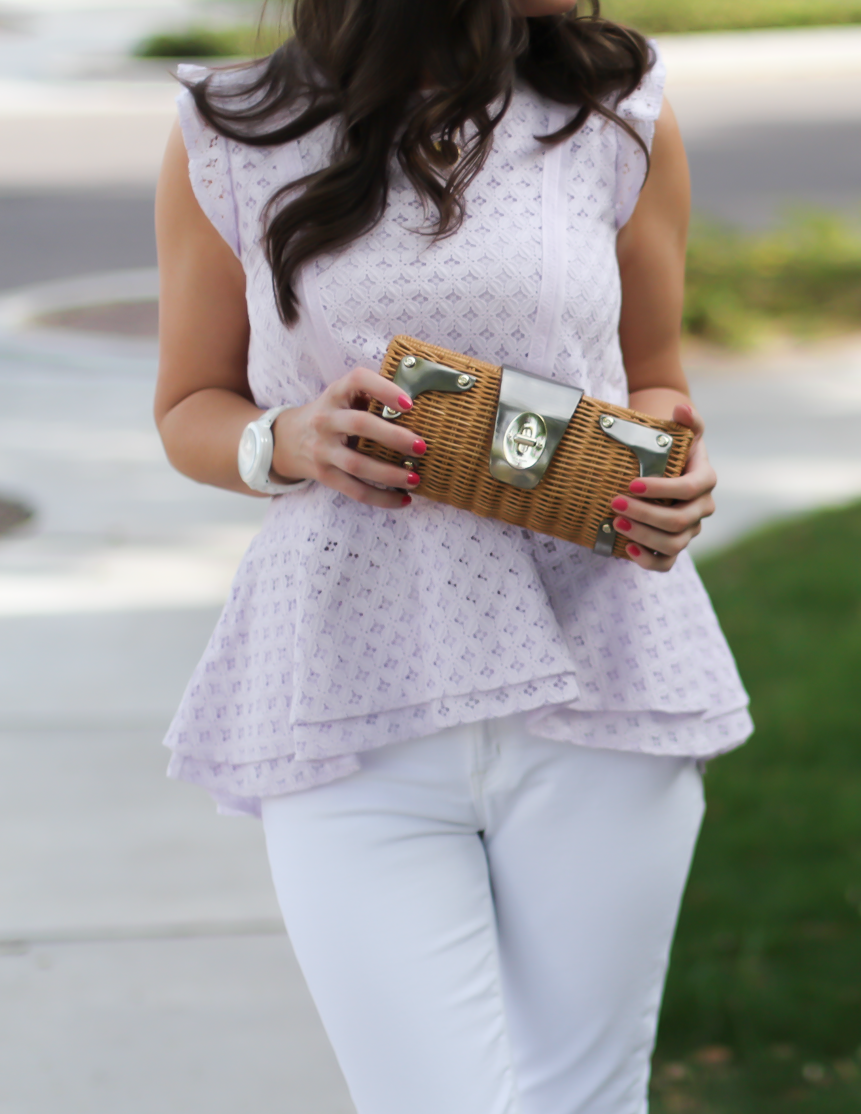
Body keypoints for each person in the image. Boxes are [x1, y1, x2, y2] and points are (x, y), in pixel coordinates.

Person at [151, 0, 752, 1109]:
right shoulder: (231, 130)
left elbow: (654, 374)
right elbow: (189, 403)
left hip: (605, 668)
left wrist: (672, 462)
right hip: (350, 683)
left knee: (582, 1097)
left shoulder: (616, 111)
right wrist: (287, 439)